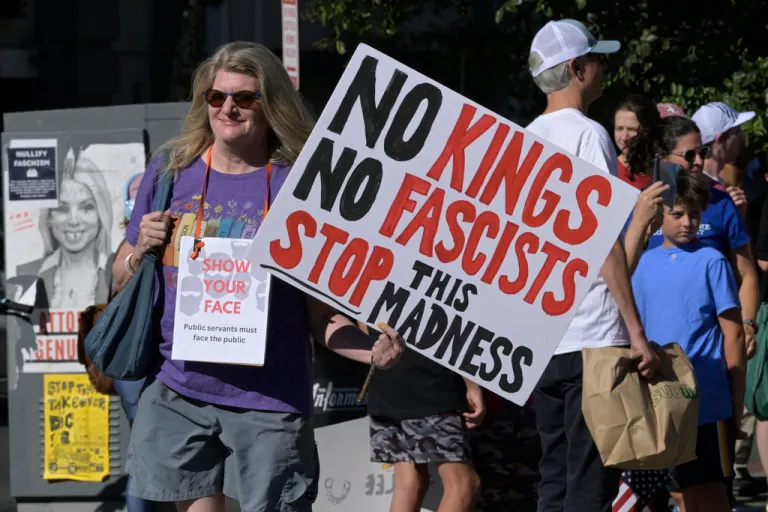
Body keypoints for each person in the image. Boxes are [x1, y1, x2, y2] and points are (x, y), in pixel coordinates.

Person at [112, 41, 405, 512]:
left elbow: (321, 316)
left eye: (244, 98)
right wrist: (138, 250)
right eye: (216, 96)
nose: (228, 107)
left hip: (268, 401)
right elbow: (120, 276)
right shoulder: (170, 174)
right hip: (180, 389)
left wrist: (371, 349)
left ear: (270, 104)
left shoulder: (300, 186)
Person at [526, 19, 659, 511]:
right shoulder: (588, 136)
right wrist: (636, 331)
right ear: (578, 70)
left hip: (546, 338)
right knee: (589, 484)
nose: (604, 69)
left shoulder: (525, 137)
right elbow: (602, 244)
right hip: (593, 337)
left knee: (555, 477)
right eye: (597, 60)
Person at [632, 170, 746, 512]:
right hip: (656, 399)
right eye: (677, 213)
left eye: (694, 214)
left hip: (706, 400)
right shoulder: (639, 263)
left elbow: (734, 335)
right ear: (659, 214)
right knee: (675, 490)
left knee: (706, 490)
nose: (687, 222)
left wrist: (735, 406)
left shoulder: (712, 261)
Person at [624, 116, 758, 356]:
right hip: (653, 346)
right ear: (660, 158)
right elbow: (622, 272)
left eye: (702, 152)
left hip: (710, 348)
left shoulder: (719, 201)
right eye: (688, 155)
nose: (698, 162)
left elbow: (746, 274)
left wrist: (747, 324)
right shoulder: (640, 205)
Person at [367, 349, 485, 512]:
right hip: (430, 385)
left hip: (385, 384)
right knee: (463, 484)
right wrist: (473, 387)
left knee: (409, 484)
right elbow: (457, 333)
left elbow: (367, 331)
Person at [17, 147, 113, 309]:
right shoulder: (25, 274)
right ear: (48, 217)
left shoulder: (120, 272)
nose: (73, 221)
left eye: (86, 207)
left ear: (101, 215)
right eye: (62, 209)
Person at [614, 94, 661, 189]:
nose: (624, 138)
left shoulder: (664, 169)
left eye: (632, 129)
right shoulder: (609, 170)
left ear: (649, 129)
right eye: (619, 129)